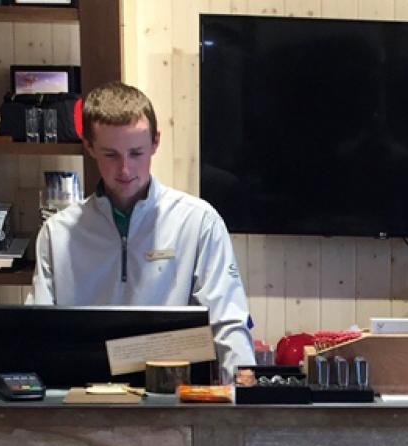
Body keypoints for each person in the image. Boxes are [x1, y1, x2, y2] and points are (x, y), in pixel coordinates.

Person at [28, 81, 255, 383]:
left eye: (136, 153)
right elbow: (36, 330)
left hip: (174, 397)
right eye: (111, 155)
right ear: (90, 147)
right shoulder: (57, 233)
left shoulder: (198, 221)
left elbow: (227, 319)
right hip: (82, 397)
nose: (125, 169)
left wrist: (246, 388)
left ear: (155, 142)